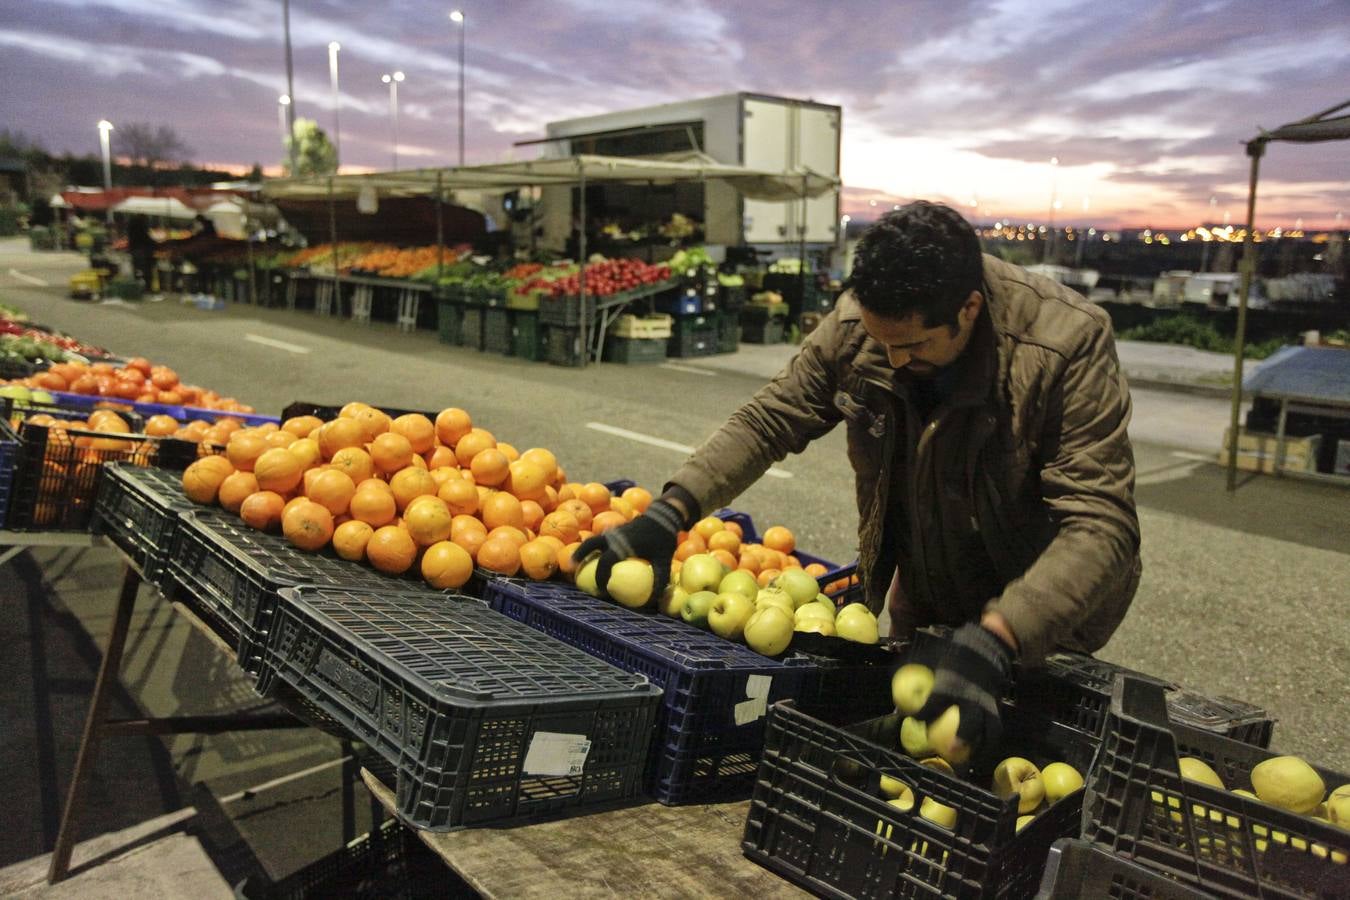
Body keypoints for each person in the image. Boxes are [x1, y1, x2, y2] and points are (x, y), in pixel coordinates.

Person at [577, 201, 1141, 758]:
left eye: (914, 346)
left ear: (968, 309)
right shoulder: (857, 326)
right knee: (917, 748)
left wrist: (1001, 635)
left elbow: (1100, 525)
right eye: (883, 344)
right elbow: (771, 418)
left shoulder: (1065, 344)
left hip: (1042, 608)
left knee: (1013, 747)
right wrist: (670, 512)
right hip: (931, 586)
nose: (894, 360)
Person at [126, 214, 155, 291]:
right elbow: (146, 239)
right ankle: (147, 288)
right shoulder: (141, 229)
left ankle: (137, 287)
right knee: (147, 271)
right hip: (143, 251)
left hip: (135, 250)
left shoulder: (131, 229)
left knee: (137, 270)